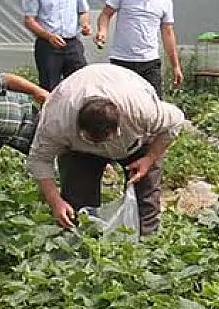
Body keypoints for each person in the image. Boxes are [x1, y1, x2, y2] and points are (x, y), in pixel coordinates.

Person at [26, 63, 185, 236]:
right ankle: (81, 247)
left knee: (144, 201)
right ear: (80, 129)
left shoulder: (141, 109)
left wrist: (149, 159)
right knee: (77, 204)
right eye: (94, 140)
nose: (102, 146)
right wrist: (55, 202)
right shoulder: (57, 119)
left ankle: (147, 248)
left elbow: (175, 122)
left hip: (135, 142)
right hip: (80, 151)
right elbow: (39, 159)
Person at [94, 0, 183, 98]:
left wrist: (176, 66)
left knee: (154, 105)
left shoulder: (165, 0)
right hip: (122, 60)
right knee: (119, 105)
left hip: (149, 61)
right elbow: (106, 14)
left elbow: (168, 33)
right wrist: (102, 31)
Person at [23, 0, 92, 91]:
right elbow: (29, 20)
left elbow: (83, 11)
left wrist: (85, 24)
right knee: (49, 88)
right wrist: (49, 36)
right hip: (48, 45)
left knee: (79, 84)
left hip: (72, 43)